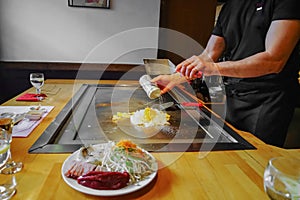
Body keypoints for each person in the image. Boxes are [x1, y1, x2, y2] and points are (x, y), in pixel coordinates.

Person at [152, 0, 300, 147]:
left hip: (268, 99)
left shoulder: (287, 3)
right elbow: (210, 53)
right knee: (230, 150)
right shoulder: (230, 6)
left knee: (256, 158)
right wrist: (175, 77)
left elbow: (274, 61)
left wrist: (214, 68)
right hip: (232, 96)